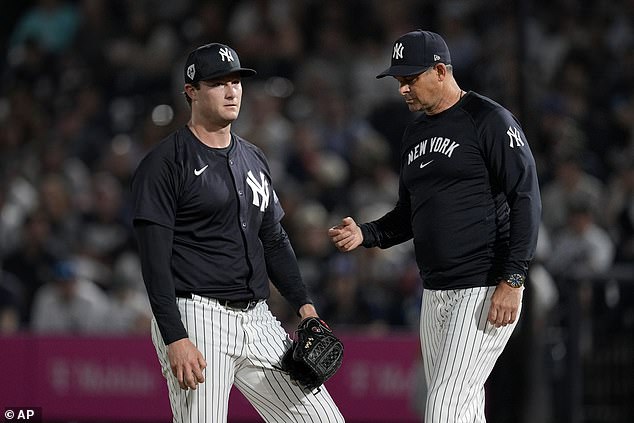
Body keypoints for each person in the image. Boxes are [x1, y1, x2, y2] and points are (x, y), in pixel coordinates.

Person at [328, 30, 541, 423]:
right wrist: (366, 233)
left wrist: (513, 280)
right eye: (399, 81)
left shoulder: (488, 119)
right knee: (464, 408)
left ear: (441, 71)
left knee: (444, 407)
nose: (403, 89)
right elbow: (408, 214)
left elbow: (526, 197)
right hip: (436, 293)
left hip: (483, 288)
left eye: (410, 79)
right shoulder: (415, 132)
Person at [131, 43, 344, 423]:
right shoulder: (165, 163)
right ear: (191, 91)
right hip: (196, 316)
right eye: (218, 83)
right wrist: (174, 336)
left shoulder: (254, 157)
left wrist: (304, 305)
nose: (232, 91)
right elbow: (154, 259)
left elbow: (274, 238)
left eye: (236, 82)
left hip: (257, 318)